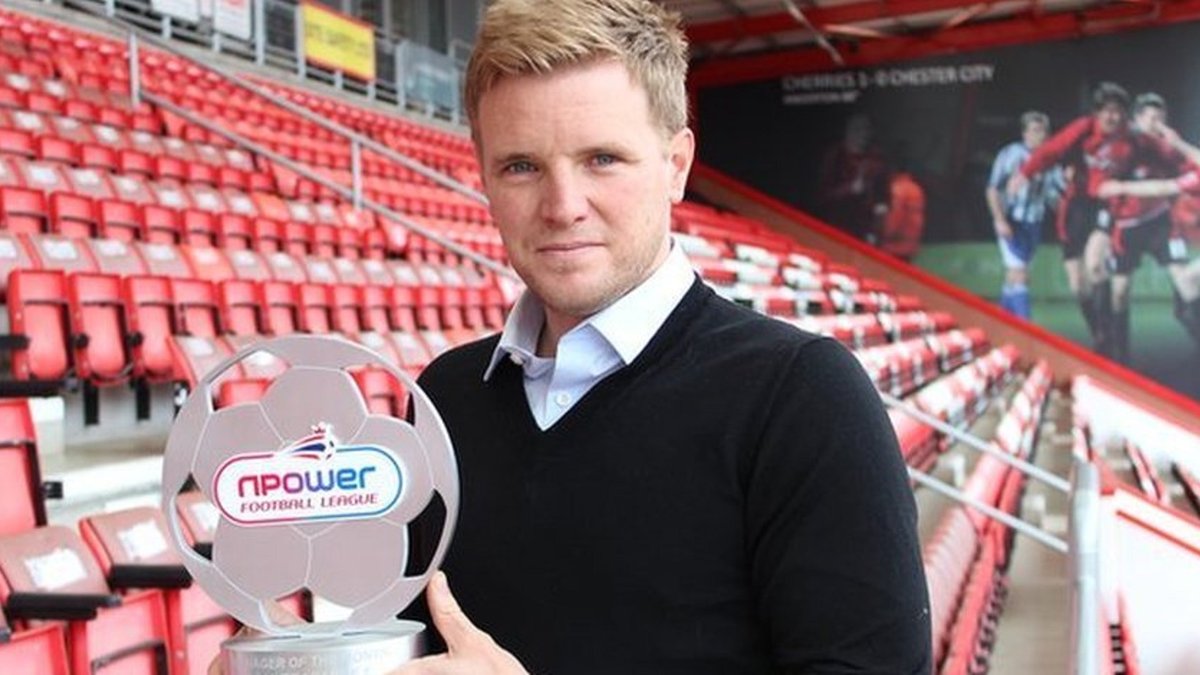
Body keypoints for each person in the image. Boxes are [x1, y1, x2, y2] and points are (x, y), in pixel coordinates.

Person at [391, 1, 930, 674]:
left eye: (602, 159)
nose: (562, 206)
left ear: (676, 165)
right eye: (521, 166)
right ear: (483, 174)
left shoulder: (802, 397)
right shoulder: (442, 399)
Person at [1011, 82, 1182, 359]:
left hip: (1105, 203)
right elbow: (1053, 149)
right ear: (1097, 112)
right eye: (1107, 111)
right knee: (1078, 283)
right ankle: (1100, 334)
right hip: (1075, 206)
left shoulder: (1131, 136)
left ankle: (1113, 340)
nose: (1112, 117)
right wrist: (1025, 173)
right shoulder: (1084, 128)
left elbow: (1164, 153)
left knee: (1095, 264)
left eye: (1118, 111)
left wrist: (1181, 151)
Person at [985, 111, 1060, 319]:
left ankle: (1002, 323)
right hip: (1012, 221)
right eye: (1035, 130)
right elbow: (992, 189)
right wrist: (999, 220)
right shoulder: (1011, 154)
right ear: (1025, 133)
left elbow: (1054, 195)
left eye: (1043, 131)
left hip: (1034, 224)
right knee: (1020, 275)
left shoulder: (1050, 160)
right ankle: (1024, 327)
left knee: (1015, 276)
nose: (1041, 135)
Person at [816, 113, 891, 242]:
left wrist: (879, 220)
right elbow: (822, 193)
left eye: (867, 130)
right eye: (858, 129)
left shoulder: (876, 159)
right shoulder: (835, 155)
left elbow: (882, 196)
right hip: (835, 225)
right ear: (848, 131)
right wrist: (849, 188)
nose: (864, 134)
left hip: (863, 229)